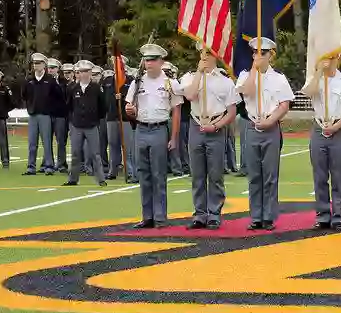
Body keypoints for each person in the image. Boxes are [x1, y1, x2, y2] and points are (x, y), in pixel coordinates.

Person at [237, 37, 294, 230]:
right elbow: (247, 91)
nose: (258, 56)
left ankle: (268, 216)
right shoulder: (246, 75)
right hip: (252, 127)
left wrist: (270, 120)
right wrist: (254, 69)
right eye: (255, 53)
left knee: (270, 175)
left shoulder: (279, 78)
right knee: (254, 175)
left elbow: (284, 104)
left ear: (271, 55)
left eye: (263, 53)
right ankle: (255, 216)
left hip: (270, 128)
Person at [125, 43, 183, 228]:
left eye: (152, 60)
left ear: (161, 61)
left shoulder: (170, 83)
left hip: (159, 129)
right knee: (144, 175)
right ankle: (147, 216)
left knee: (158, 175)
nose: (148, 63)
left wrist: (173, 137)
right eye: (146, 60)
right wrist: (129, 110)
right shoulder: (137, 82)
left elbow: (176, 112)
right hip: (141, 129)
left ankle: (160, 217)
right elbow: (130, 110)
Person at [180, 48, 238, 229]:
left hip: (216, 127)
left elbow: (232, 112)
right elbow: (190, 95)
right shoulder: (190, 77)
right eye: (202, 53)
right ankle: (199, 214)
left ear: (216, 56)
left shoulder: (225, 81)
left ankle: (214, 213)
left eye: (209, 53)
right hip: (196, 125)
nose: (205, 57)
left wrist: (216, 126)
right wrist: (199, 72)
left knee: (215, 174)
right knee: (197, 174)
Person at [301, 53, 341, 230]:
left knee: (338, 175)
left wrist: (336, 127)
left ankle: (338, 216)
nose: (328, 60)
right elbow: (307, 94)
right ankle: (322, 215)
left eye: (332, 57)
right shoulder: (315, 80)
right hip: (319, 129)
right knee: (319, 176)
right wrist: (319, 72)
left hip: (338, 130)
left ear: (338, 58)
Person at [63, 60, 107, 187]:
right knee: (75, 153)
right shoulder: (72, 88)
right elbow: (69, 106)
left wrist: (96, 119)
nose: (84, 74)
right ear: (78, 74)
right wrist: (74, 119)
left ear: (90, 73)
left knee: (95, 154)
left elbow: (102, 106)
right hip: (77, 125)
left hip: (92, 125)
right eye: (81, 72)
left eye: (87, 72)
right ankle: (73, 179)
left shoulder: (96, 88)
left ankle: (101, 179)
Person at [22, 53, 58, 175]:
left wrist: (50, 109)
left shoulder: (50, 80)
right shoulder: (29, 80)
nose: (36, 66)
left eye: (38, 63)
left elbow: (56, 97)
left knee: (46, 142)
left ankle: (49, 166)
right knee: (32, 143)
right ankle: (30, 167)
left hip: (45, 114)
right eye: (34, 63)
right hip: (33, 114)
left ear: (44, 65)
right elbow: (25, 95)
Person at [46, 58, 69, 173]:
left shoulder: (63, 82)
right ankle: (48, 164)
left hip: (60, 115)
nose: (50, 70)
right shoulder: (44, 81)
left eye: (53, 68)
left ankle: (61, 164)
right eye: (49, 68)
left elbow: (64, 97)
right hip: (47, 114)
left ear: (58, 69)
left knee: (61, 141)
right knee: (47, 140)